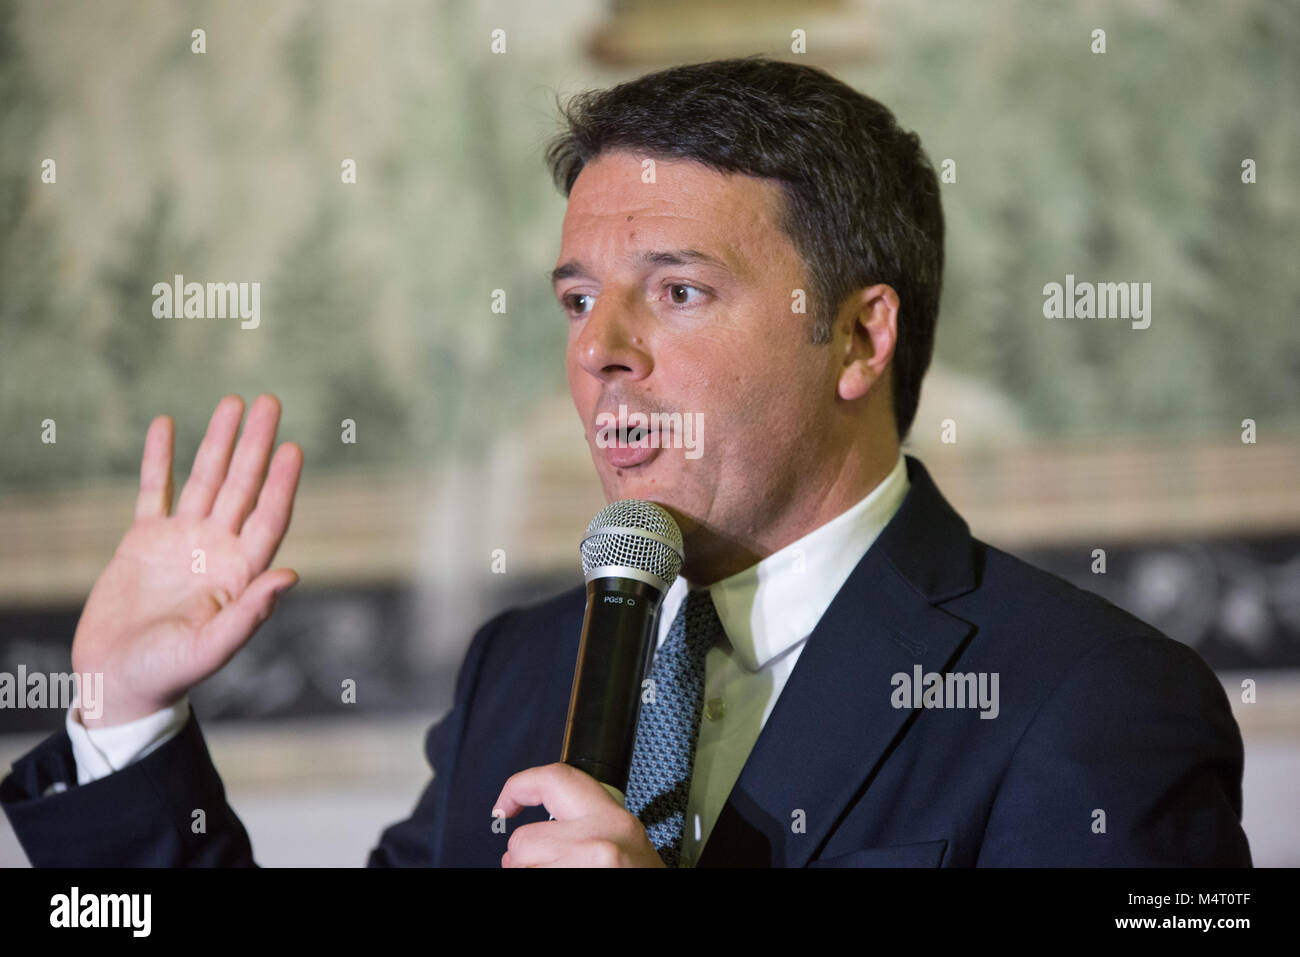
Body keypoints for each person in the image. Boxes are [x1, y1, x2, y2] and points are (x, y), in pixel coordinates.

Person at [1, 57, 1250, 867]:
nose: (599, 352)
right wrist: (124, 717)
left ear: (860, 337)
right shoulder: (523, 668)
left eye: (680, 291)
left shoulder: (1094, 703)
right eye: (577, 299)